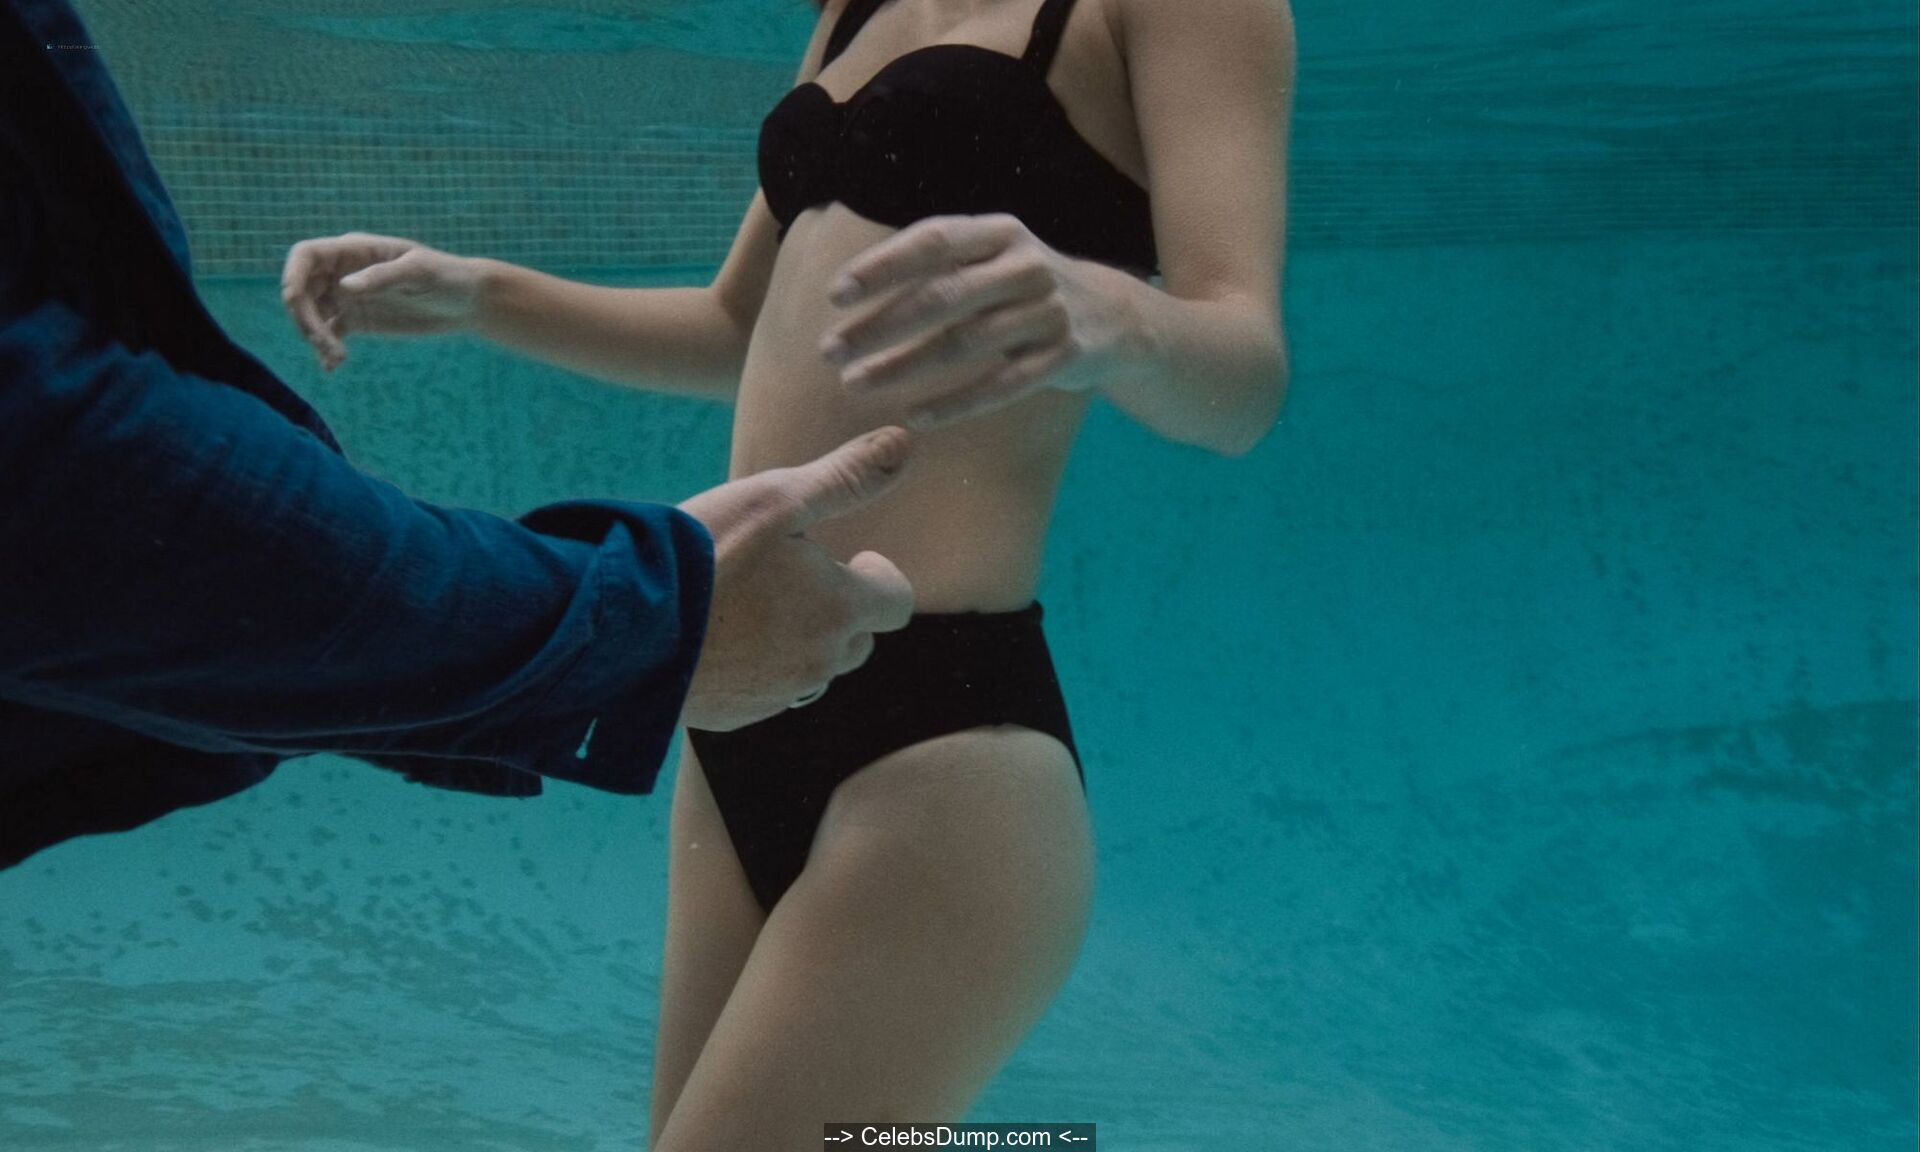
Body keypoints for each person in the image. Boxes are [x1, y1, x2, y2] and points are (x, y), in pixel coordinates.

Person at [284, 0, 1293, 1144]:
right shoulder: (850, 9)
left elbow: (1246, 376)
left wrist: (1111, 316)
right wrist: (481, 295)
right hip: (745, 700)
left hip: (946, 745)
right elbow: (733, 324)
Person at [0, 0, 918, 871]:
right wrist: (632, 623)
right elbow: (747, 324)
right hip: (759, 636)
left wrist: (1073, 311)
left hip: (878, 651)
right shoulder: (845, 22)